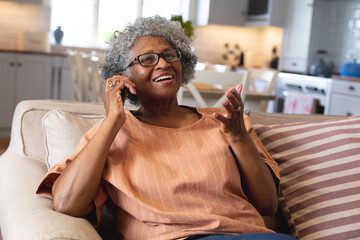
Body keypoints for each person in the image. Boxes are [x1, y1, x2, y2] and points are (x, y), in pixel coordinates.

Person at [37, 16, 296, 240]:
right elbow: (67, 204)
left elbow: (267, 205)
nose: (163, 64)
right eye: (146, 59)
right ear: (122, 76)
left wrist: (239, 137)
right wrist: (113, 120)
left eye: (170, 55)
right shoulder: (111, 132)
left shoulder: (227, 121)